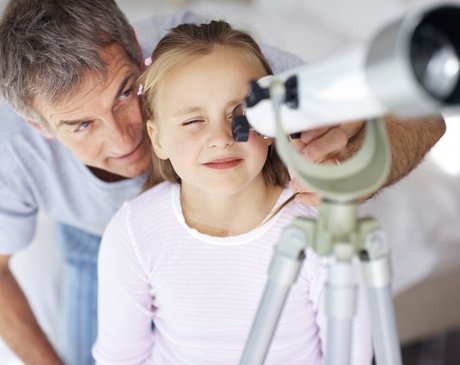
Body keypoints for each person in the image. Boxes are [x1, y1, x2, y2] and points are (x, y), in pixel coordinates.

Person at [0, 0, 445, 364]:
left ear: (137, 48)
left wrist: (350, 171)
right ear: (38, 126)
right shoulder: (20, 154)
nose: (123, 137)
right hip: (92, 233)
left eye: (124, 92)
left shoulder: (215, 63)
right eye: (82, 125)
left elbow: (418, 112)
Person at [93, 20, 372, 364]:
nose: (222, 137)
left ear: (271, 123)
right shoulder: (135, 233)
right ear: (158, 138)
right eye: (193, 121)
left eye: (240, 115)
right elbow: (120, 358)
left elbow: (350, 357)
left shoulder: (319, 230)